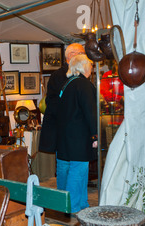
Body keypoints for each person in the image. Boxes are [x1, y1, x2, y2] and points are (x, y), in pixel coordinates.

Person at [55, 54, 97, 213]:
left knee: (66, 170)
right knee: (78, 171)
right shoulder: (84, 85)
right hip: (79, 136)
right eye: (90, 66)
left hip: (65, 136)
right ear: (84, 67)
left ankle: (77, 204)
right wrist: (95, 135)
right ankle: (74, 206)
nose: (92, 69)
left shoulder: (67, 84)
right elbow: (90, 112)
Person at [39, 43, 86, 154]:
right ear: (71, 55)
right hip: (66, 131)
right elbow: (58, 103)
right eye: (82, 54)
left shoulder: (76, 74)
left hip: (69, 130)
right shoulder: (60, 75)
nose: (85, 57)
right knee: (67, 166)